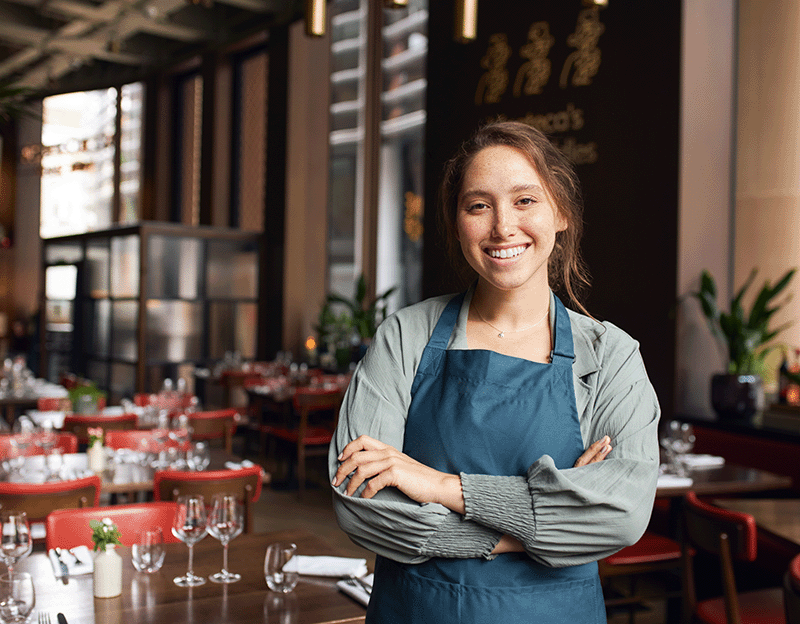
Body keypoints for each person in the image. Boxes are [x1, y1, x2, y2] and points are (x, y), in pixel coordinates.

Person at [329, 120, 660, 622]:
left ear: (562, 213)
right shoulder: (405, 336)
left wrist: (440, 487)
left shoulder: (610, 356)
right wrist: (538, 525)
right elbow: (359, 501)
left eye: (525, 200)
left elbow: (620, 515)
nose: (503, 226)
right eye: (478, 205)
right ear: (457, 221)